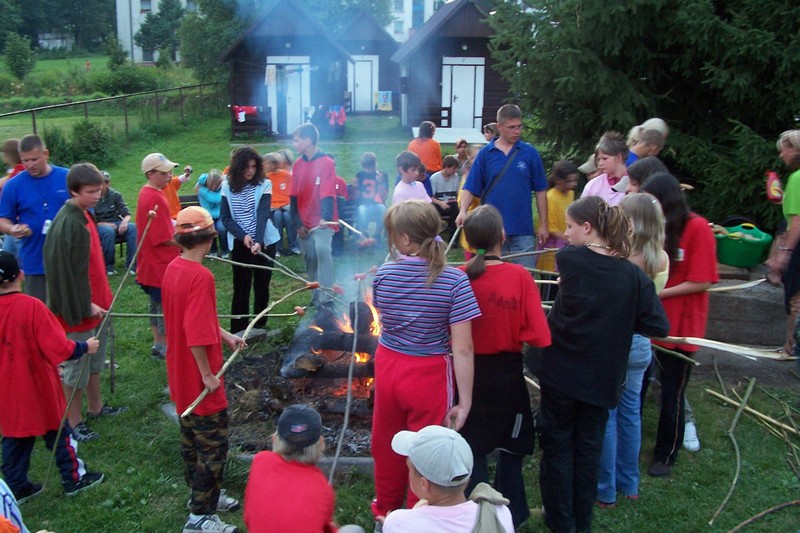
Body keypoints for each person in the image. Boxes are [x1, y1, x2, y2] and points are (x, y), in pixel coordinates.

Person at [537, 196, 669, 533]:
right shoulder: (632, 276)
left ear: (588, 227)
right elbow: (657, 326)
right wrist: (621, 320)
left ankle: (562, 523)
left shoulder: (570, 260)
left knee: (559, 447)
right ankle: (581, 523)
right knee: (588, 450)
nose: (566, 235)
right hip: (600, 378)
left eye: (570, 227)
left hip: (562, 373)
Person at [370, 200, 480, 525]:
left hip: (389, 366)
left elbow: (384, 317)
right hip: (428, 373)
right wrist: (466, 401)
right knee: (428, 448)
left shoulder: (382, 275)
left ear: (404, 240)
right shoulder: (455, 282)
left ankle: (386, 513)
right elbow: (463, 349)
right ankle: (422, 517)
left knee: (386, 441)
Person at [458, 205, 551, 527]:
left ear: (467, 243)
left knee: (473, 444)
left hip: (465, 376)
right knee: (512, 446)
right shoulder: (520, 277)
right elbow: (540, 335)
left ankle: (476, 513)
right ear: (502, 237)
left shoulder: (457, 275)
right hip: (507, 375)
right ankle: (515, 513)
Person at [163, 206, 245, 533]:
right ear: (210, 238)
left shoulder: (174, 267)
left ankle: (203, 494)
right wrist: (208, 376)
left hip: (179, 375)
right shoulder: (201, 276)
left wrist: (225, 336)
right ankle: (199, 517)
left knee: (191, 440)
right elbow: (195, 334)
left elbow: (195, 317)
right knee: (213, 446)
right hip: (199, 379)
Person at [0, 251, 104, 503]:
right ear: (21, 275)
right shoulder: (31, 307)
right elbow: (58, 347)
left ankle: (16, 486)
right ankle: (74, 478)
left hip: (6, 389)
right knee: (59, 432)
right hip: (37, 385)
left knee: (16, 434)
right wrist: (83, 347)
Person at [641, 173, 718, 478]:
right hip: (651, 323)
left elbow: (701, 280)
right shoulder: (657, 229)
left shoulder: (697, 227)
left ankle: (665, 453)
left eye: (652, 201)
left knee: (672, 392)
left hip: (680, 326)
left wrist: (658, 292)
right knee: (641, 385)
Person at [596, 192, 669, 507]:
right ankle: (630, 483)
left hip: (616, 341)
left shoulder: (621, 258)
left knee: (608, 415)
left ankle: (605, 489)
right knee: (630, 414)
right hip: (641, 343)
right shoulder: (660, 257)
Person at [43, 163, 127, 441]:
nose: (97, 196)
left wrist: (101, 298)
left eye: (99, 190)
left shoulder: (84, 215)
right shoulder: (69, 224)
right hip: (78, 311)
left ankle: (96, 407)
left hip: (97, 306)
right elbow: (64, 275)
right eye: (91, 192)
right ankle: (73, 421)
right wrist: (85, 304)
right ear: (73, 191)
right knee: (76, 369)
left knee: (94, 363)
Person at [243, 404, 364, 533]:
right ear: (321, 444)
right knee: (354, 530)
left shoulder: (260, 461)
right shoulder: (323, 488)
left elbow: (248, 518)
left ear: (275, 439)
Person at [458, 104, 549, 270]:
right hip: (492, 230)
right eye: (511, 127)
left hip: (523, 228)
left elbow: (541, 190)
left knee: (526, 277)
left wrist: (544, 224)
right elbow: (471, 186)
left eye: (519, 127)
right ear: (499, 127)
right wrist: (463, 210)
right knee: (494, 275)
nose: (517, 131)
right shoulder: (486, 154)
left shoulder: (530, 153)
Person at [382, 425, 515, 533]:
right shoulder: (498, 513)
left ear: (424, 484)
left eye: (409, 468)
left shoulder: (399, 523)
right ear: (466, 478)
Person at [0, 134, 70, 302]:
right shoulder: (13, 185)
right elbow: (3, 219)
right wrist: (12, 229)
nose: (30, 165)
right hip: (34, 258)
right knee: (39, 308)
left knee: (69, 308)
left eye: (34, 159)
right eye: (25, 161)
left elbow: (87, 212)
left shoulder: (67, 177)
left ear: (46, 154)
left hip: (67, 256)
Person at [220, 147, 280, 334]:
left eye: (254, 166)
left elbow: (263, 215)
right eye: (246, 167)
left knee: (262, 284)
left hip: (265, 240)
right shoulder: (226, 186)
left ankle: (259, 325)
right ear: (238, 167)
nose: (250, 170)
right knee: (241, 286)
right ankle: (239, 327)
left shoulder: (264, 184)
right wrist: (243, 236)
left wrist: (258, 240)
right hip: (240, 242)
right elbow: (226, 218)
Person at [136, 153, 181, 359]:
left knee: (154, 305)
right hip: (159, 265)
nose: (169, 176)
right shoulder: (154, 197)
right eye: (164, 173)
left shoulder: (149, 193)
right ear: (150, 173)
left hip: (150, 264)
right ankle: (168, 347)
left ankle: (158, 344)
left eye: (170, 171)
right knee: (165, 308)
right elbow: (162, 238)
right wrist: (189, 241)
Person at [290, 124, 338, 306]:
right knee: (310, 257)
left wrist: (325, 218)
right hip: (304, 221)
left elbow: (327, 193)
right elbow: (293, 197)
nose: (294, 144)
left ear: (308, 140)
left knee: (322, 251)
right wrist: (298, 224)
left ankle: (327, 297)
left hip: (323, 222)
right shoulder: (297, 164)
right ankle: (316, 295)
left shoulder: (326, 162)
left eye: (296, 140)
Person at [768, 130, 800, 359]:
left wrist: (784, 252)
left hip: (798, 245)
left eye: (784, 149)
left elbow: (797, 220)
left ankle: (791, 347)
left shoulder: (797, 178)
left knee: (795, 297)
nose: (781, 155)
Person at [538, 161, 579, 299]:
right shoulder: (550, 197)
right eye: (569, 181)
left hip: (566, 246)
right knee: (549, 290)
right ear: (559, 180)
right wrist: (568, 238)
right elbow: (550, 227)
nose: (573, 185)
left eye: (575, 181)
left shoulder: (571, 195)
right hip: (551, 253)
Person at [94, 171, 138, 275]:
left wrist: (124, 222)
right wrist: (105, 224)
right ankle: (108, 267)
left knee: (133, 228)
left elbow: (126, 213)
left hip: (116, 222)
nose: (99, 186)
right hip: (100, 225)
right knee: (108, 232)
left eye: (102, 183)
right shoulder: (93, 196)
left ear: (107, 183)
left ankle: (131, 265)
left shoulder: (115, 195)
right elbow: (91, 220)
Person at [264, 152, 298, 256]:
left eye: (266, 163)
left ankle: (294, 246)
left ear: (274, 165)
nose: (264, 166)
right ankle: (277, 248)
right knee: (277, 216)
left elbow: (292, 192)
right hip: (274, 207)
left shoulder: (286, 175)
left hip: (285, 205)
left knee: (288, 216)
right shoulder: (266, 178)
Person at [580, 132, 628, 206]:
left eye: (604, 158)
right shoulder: (593, 185)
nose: (600, 163)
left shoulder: (633, 184)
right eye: (599, 159)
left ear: (619, 157)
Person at [353, 152, 389, 243]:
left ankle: (377, 235)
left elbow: (384, 197)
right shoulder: (359, 175)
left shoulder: (382, 175)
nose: (368, 169)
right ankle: (364, 234)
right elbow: (356, 197)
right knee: (362, 210)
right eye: (366, 167)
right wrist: (355, 187)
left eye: (371, 166)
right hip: (364, 204)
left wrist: (381, 182)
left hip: (377, 204)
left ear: (375, 164)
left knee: (382, 209)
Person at [196, 169, 229, 258]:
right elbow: (215, 200)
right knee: (210, 229)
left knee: (221, 228)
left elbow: (219, 199)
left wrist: (204, 191)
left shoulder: (202, 189)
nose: (214, 187)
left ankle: (225, 250)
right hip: (207, 215)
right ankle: (212, 250)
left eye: (216, 185)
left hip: (221, 214)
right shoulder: (201, 186)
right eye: (212, 184)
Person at [0, 139, 25, 256]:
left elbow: (6, 183)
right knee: (7, 254)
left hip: (16, 221)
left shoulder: (20, 170)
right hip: (11, 221)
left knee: (9, 255)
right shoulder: (15, 170)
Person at [407, 121, 441, 196]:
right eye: (433, 131)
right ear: (430, 131)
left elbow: (408, 160)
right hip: (432, 174)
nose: (434, 133)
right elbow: (439, 161)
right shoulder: (435, 144)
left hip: (415, 173)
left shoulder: (412, 144)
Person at [429, 155, 461, 229]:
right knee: (433, 209)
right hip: (438, 203)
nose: (455, 170)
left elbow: (457, 193)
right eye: (454, 168)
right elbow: (431, 197)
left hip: (451, 203)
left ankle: (453, 236)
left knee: (456, 209)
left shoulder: (456, 177)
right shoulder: (434, 178)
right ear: (446, 167)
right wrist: (441, 203)